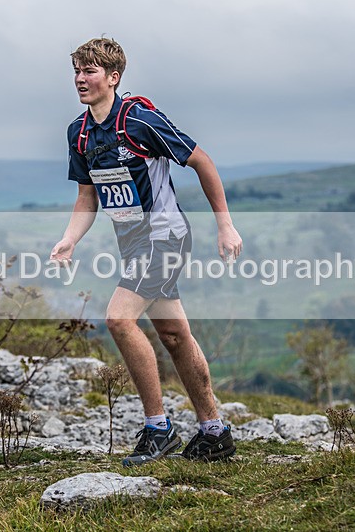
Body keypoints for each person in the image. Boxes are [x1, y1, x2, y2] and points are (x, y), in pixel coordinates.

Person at [50, 37, 243, 466]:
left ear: (113, 77)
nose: (80, 79)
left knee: (119, 319)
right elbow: (88, 197)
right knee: (174, 335)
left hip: (165, 236)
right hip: (133, 243)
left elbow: (202, 161)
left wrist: (225, 225)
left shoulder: (139, 119)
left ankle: (159, 429)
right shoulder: (79, 133)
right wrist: (70, 238)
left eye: (90, 71)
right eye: (77, 72)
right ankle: (214, 431)